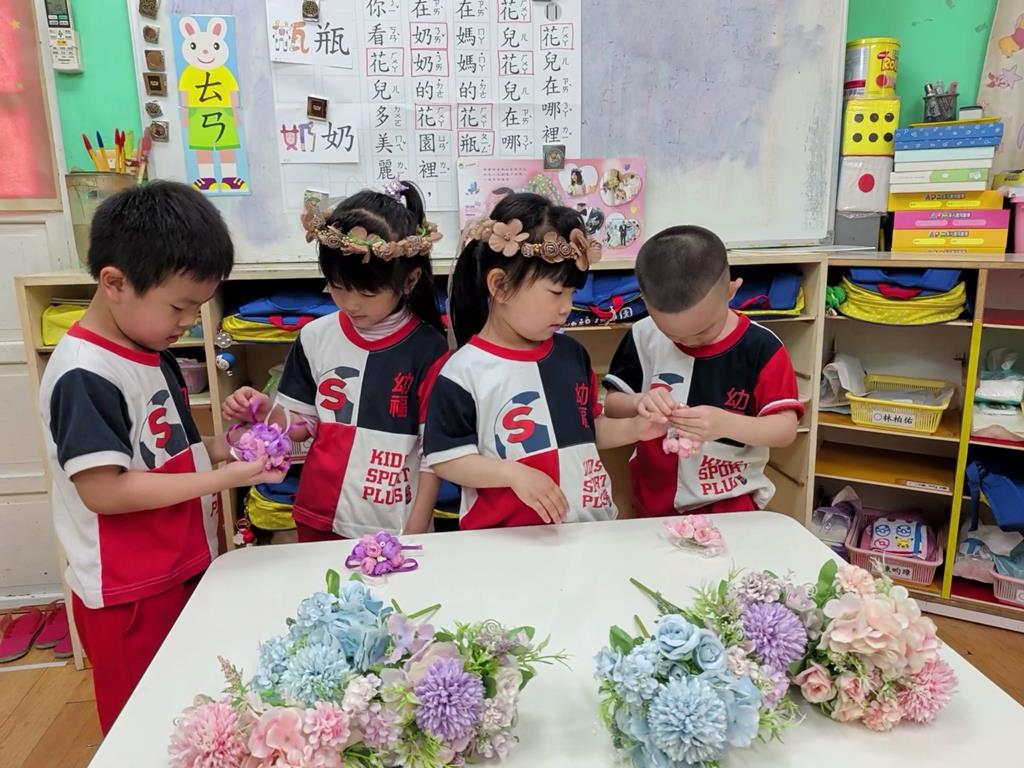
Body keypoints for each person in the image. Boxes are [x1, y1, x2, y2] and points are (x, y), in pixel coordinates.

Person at [38, 181, 284, 733]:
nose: (189, 321)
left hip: (181, 565)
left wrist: (231, 444)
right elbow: (105, 490)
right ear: (115, 283)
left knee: (191, 711)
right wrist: (227, 478)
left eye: (198, 307)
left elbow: (170, 455)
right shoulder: (85, 374)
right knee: (142, 727)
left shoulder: (151, 351)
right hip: (130, 594)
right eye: (179, 306)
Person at [423, 193, 668, 528]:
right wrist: (512, 474)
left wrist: (637, 427)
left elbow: (588, 429)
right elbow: (446, 458)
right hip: (509, 540)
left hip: (589, 529)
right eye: (555, 293)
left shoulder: (572, 355)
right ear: (500, 285)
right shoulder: (463, 371)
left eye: (572, 293)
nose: (567, 307)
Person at [223, 181, 448, 540]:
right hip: (319, 511)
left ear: (410, 280)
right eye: (338, 287)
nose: (351, 303)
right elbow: (302, 426)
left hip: (395, 521)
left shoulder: (428, 348)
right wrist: (267, 413)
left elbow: (431, 452)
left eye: (367, 292)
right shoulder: (315, 336)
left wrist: (417, 528)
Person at [604, 225, 803, 517]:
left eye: (702, 331)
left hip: (731, 502)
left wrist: (725, 424)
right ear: (646, 304)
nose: (688, 342)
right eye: (671, 334)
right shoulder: (643, 335)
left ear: (731, 291)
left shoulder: (762, 348)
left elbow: (785, 429)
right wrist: (639, 402)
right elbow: (611, 406)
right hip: (653, 502)